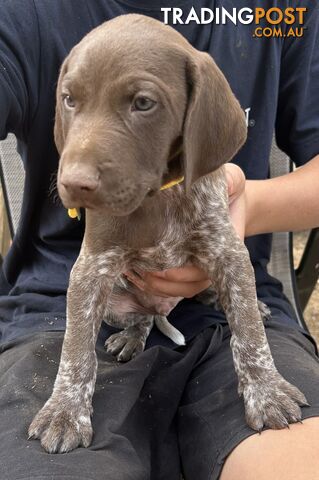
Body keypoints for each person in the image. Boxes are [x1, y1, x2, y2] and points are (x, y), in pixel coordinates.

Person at [0, 1, 318, 479]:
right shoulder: (26, 12)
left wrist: (249, 203)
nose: (78, 168)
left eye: (143, 103)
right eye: (72, 100)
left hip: (226, 315)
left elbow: (230, 261)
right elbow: (89, 275)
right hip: (61, 315)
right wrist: (71, 392)